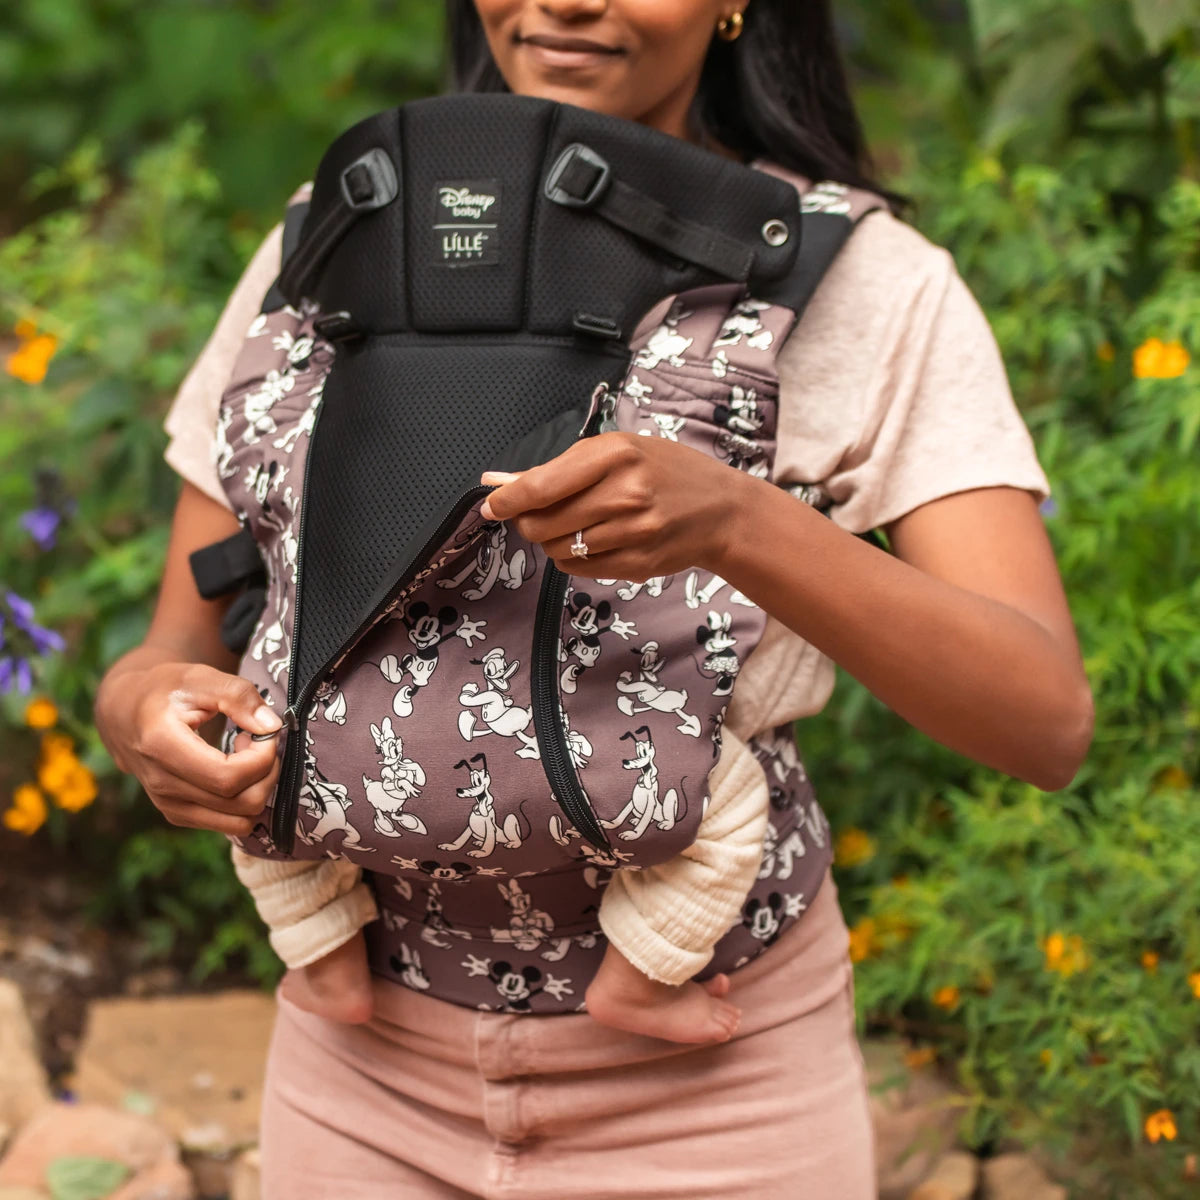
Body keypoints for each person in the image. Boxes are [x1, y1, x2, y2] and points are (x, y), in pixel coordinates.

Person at [94, 0, 1094, 1194]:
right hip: (360, 1078)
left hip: (716, 1094)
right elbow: (165, 655)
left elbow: (1042, 719)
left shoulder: (856, 281)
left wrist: (736, 519)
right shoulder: (337, 237)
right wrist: (143, 722)